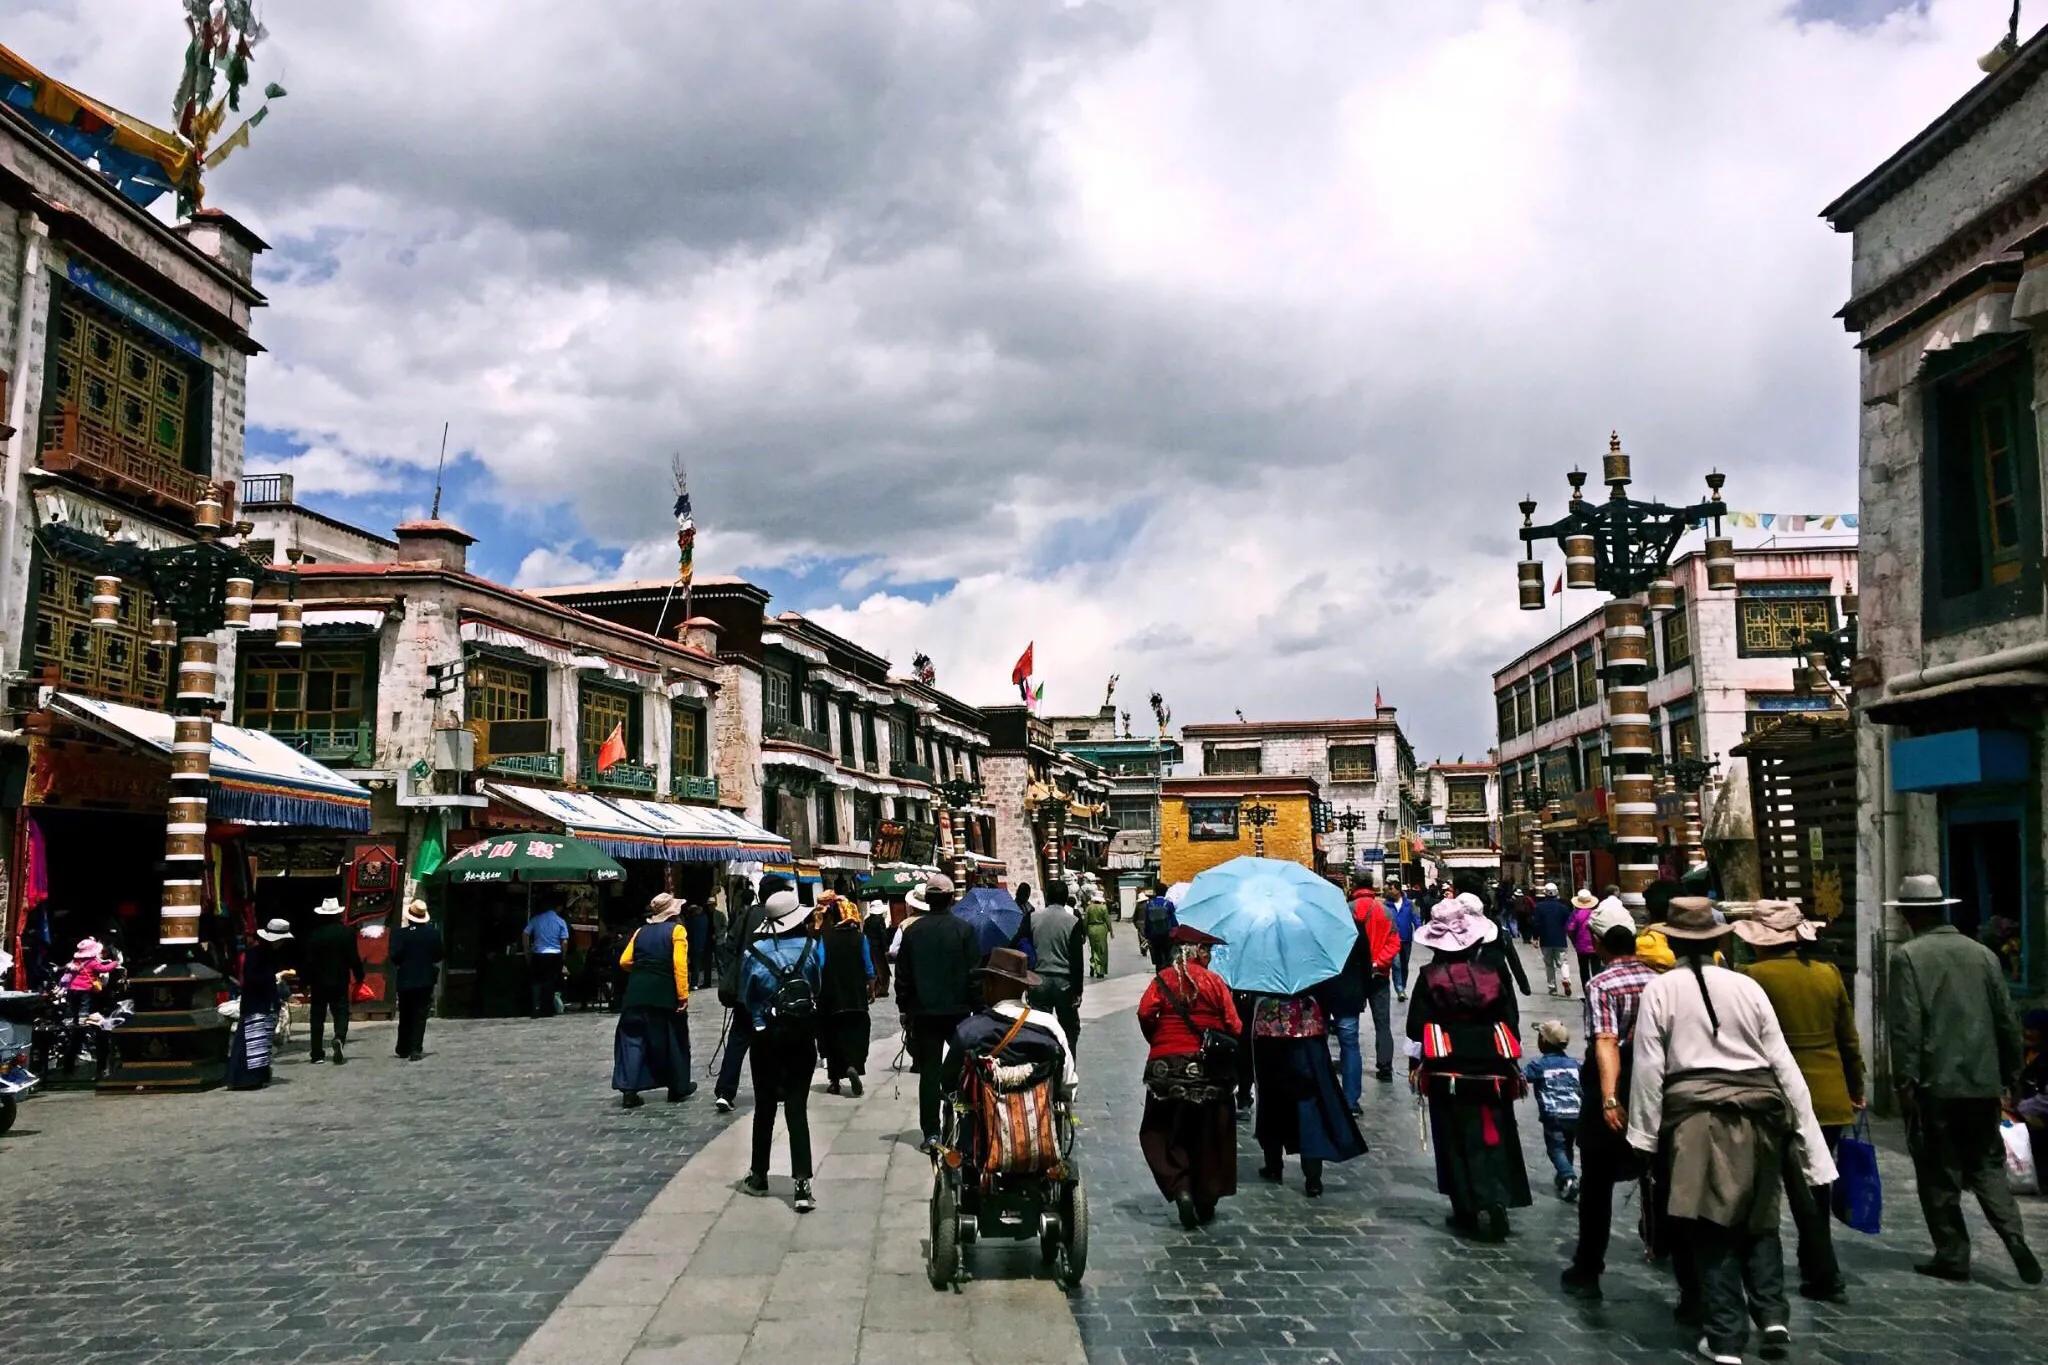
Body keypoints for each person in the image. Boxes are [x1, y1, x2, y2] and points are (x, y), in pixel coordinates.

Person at [1626, 897, 1837, 1364]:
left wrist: (1643, 1137)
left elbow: (1648, 1067)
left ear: (1673, 940)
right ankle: (1772, 1313)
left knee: (1710, 1224)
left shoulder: (1660, 991)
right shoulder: (1747, 987)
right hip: (1761, 1112)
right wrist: (1809, 1141)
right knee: (1759, 1217)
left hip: (1697, 1120)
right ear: (1720, 939)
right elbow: (1782, 1063)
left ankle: (1724, 1337)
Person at [1884, 874, 2040, 1286]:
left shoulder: (1908, 957)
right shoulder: (1983, 955)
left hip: (1936, 1086)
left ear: (1908, 915)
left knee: (1938, 1173)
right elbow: (2007, 1020)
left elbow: (1906, 1027)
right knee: (1987, 1166)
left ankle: (1953, 1252)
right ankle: (2014, 1237)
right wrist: (2011, 1074)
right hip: (1981, 1082)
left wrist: (1905, 1082)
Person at [1734, 902, 1862, 1302]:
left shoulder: (1748, 978)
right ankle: (1823, 1273)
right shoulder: (1827, 974)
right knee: (1815, 1188)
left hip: (1771, 1092)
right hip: (1827, 1091)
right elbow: (1848, 1039)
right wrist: (1855, 1087)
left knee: (1763, 1189)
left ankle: (1761, 1278)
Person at [1407, 892, 1531, 1242]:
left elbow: (1416, 1025)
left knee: (1455, 1136)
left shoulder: (1430, 976)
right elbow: (1510, 1018)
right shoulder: (1491, 973)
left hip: (1449, 1068)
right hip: (1493, 1066)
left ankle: (1467, 1206)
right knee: (1497, 1130)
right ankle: (1500, 1198)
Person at [1562, 903, 1658, 1301]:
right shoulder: (1658, 978)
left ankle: (1589, 1266)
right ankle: (1665, 1246)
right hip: (1655, 1082)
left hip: (1615, 1080)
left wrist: (1608, 1096)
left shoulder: (1602, 983)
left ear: (1599, 943)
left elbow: (1605, 1040)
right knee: (1658, 1173)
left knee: (1597, 1181)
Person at [1137, 925, 1242, 1228]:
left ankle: (1179, 1187)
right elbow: (1234, 1025)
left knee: (1161, 1129)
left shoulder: (1163, 980)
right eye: (1206, 950)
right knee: (1211, 1134)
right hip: (1208, 1070)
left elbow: (1145, 1013)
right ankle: (1206, 1197)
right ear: (1194, 951)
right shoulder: (1214, 982)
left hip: (1165, 1068)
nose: (1209, 956)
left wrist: (1159, 1041)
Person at [740, 889, 825, 1212]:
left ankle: (759, 1175)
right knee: (796, 1109)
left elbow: (748, 997)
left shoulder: (754, 953)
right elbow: (815, 986)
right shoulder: (811, 948)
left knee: (764, 1108)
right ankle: (802, 1184)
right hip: (801, 1035)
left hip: (766, 1038)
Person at [1252, 982, 1366, 1199]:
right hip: (1307, 1032)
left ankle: (1274, 1163)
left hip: (1269, 1032)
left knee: (1272, 1101)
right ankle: (1313, 1176)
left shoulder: (1262, 957)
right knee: (1309, 1105)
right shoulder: (1310, 959)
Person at [894, 873, 980, 1152]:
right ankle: (961, 1125)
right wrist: (979, 1009)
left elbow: (903, 976)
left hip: (924, 1012)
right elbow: (974, 975)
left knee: (929, 1072)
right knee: (962, 1069)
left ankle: (931, 1132)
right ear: (951, 898)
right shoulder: (964, 930)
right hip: (958, 1012)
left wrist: (904, 1009)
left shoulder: (912, 932)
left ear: (927, 899)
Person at [613, 893, 694, 1109]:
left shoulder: (640, 931)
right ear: (674, 913)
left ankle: (629, 1091)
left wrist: (643, 971)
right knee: (672, 1040)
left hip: (635, 994)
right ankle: (677, 1087)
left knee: (632, 1041)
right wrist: (682, 995)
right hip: (664, 994)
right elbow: (679, 964)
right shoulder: (676, 931)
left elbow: (625, 961)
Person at [713, 878, 771, 1114]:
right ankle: (774, 1087)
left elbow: (729, 946)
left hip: (744, 990)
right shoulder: (778, 918)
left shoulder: (746, 916)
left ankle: (726, 1092)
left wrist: (734, 974)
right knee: (770, 1041)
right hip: (767, 990)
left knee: (737, 1042)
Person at [819, 894, 874, 1097]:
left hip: (831, 997)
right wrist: (871, 988)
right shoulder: (860, 938)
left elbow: (819, 965)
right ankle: (853, 1064)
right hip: (856, 997)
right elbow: (868, 967)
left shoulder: (825, 939)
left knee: (832, 1036)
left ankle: (834, 1081)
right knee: (858, 1032)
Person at [229, 918, 292, 1090]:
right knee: (252, 1041)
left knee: (261, 1042)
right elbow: (252, 978)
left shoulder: (268, 954)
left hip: (264, 1003)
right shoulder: (256, 954)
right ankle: (246, 1078)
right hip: (255, 1003)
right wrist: (273, 979)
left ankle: (257, 1075)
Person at [1524, 1019, 1581, 1201]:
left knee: (1555, 1149)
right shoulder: (1575, 1064)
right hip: (1576, 1113)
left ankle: (1569, 1177)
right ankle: (1563, 1175)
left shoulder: (1538, 1065)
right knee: (1568, 1145)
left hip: (1553, 1115)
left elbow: (1522, 1077)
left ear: (1544, 1042)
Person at [1028, 878, 1087, 1054]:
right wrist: (1078, 990)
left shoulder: (1032, 918)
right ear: (1065, 898)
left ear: (1047, 897)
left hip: (1038, 981)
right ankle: (1067, 1069)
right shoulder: (1072, 921)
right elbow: (1077, 959)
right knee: (1069, 1030)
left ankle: (1042, 1068)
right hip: (1064, 982)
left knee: (1039, 1028)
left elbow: (1025, 949)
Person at [301, 897, 362, 1065]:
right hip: (339, 980)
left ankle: (316, 1053)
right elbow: (353, 958)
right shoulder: (347, 933)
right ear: (338, 914)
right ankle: (339, 1037)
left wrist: (303, 983)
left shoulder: (314, 935)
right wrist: (360, 976)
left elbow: (308, 961)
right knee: (341, 1012)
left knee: (317, 1017)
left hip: (318, 982)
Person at [389, 900, 444, 1062]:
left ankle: (403, 1046)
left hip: (405, 978)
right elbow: (439, 955)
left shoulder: (400, 934)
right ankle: (415, 1048)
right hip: (425, 979)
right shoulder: (432, 933)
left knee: (405, 1013)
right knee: (420, 1015)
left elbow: (394, 956)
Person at [524, 900, 570, 1018]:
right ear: (558, 908)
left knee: (536, 982)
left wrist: (527, 951)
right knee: (550, 982)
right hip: (554, 954)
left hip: (538, 953)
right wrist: (563, 957)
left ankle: (535, 1006)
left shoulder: (536, 919)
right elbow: (564, 941)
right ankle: (547, 1009)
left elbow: (525, 934)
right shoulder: (560, 921)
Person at [1532, 884, 1573, 996]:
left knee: (1549, 964)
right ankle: (1566, 978)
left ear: (1545, 893)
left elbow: (1536, 924)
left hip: (1545, 940)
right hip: (1560, 939)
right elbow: (1568, 924)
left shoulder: (1539, 907)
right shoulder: (1563, 908)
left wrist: (1535, 938)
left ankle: (1552, 988)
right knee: (1563, 962)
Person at [1390, 885, 1422, 1002]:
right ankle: (1399, 990)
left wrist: (1420, 931)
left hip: (1406, 939)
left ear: (1398, 890)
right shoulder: (1386, 905)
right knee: (1396, 964)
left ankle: (1402, 986)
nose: (1389, 890)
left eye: (1391, 888)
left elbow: (1416, 919)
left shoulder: (1409, 904)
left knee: (1404, 964)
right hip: (1392, 940)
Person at [1136, 882, 1179, 969]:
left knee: (1158, 959)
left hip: (1154, 936)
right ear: (1165, 892)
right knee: (1168, 957)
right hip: (1167, 936)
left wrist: (1147, 936)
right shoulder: (1169, 904)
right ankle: (1167, 976)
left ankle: (1159, 976)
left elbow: (1147, 922)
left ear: (1155, 892)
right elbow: (1174, 922)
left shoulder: (1150, 904)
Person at [1567, 889, 1600, 991]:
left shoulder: (1575, 914)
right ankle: (1597, 989)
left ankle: (1587, 991)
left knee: (1584, 970)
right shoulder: (1596, 913)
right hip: (1596, 946)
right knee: (1596, 969)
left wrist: (1574, 941)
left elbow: (1570, 929)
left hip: (1581, 947)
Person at [1083, 883, 1115, 979]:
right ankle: (1099, 970)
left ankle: (1093, 965)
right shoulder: (1103, 908)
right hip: (1101, 929)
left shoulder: (1089, 908)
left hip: (1091, 929)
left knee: (1093, 949)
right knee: (1101, 950)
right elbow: (1107, 920)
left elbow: (1085, 921)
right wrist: (1111, 931)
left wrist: (1084, 933)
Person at [684, 898, 715, 991]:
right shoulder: (705, 918)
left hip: (696, 946)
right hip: (706, 944)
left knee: (696, 966)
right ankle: (707, 982)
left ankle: (694, 983)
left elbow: (688, 933)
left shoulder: (691, 920)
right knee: (706, 964)